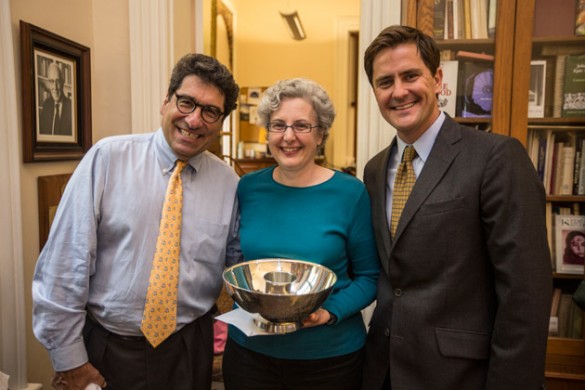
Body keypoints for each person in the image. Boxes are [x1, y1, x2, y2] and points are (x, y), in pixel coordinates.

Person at [32, 53, 242, 390]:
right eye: (186, 102)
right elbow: (64, 265)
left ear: (220, 122)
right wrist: (70, 361)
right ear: (165, 102)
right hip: (108, 347)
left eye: (210, 111)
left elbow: (239, 269)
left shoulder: (229, 183)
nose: (194, 119)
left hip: (189, 348)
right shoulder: (107, 159)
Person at [360, 25, 552, 390]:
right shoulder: (374, 169)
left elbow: (525, 293)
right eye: (385, 82)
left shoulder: (495, 157)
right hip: (383, 370)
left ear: (437, 79)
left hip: (462, 376)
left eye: (410, 75)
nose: (398, 92)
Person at [221, 78, 380, 390]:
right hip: (250, 355)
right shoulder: (248, 188)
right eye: (278, 125)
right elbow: (235, 261)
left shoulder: (350, 193)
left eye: (302, 126)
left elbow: (370, 277)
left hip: (329, 359)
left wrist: (329, 312)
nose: (288, 137)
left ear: (320, 133)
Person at [39, 62, 73, 135]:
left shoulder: (71, 106)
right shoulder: (46, 105)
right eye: (51, 81)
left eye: (57, 81)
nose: (55, 87)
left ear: (62, 82)